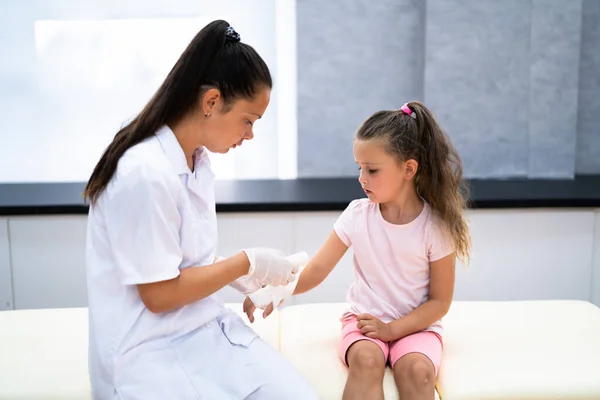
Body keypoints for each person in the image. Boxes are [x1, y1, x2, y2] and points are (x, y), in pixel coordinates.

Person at [83, 20, 319, 400]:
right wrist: (245, 263)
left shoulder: (197, 162)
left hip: (201, 330)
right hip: (146, 354)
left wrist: (237, 274)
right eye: (248, 120)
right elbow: (158, 295)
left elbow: (179, 260)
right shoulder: (144, 173)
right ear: (211, 102)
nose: (250, 135)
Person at [244, 101, 471, 400]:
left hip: (417, 327)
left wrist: (393, 330)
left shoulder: (435, 226)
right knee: (365, 361)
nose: (362, 178)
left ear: (409, 169)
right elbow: (316, 270)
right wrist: (270, 291)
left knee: (417, 372)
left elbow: (440, 302)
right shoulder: (357, 215)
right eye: (360, 168)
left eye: (372, 170)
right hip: (364, 320)